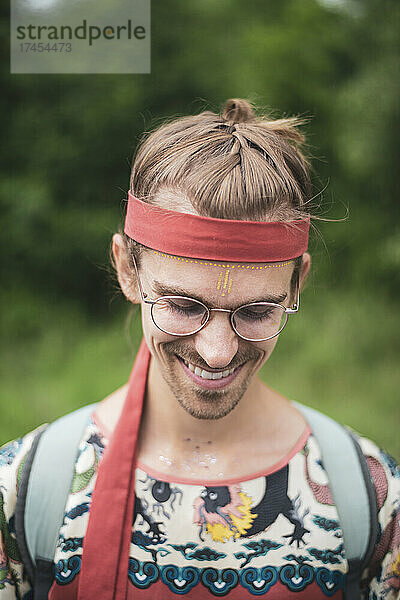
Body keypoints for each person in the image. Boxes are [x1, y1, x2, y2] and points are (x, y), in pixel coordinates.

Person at [0, 98, 399, 600]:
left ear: (297, 285)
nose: (216, 352)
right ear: (128, 269)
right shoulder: (25, 490)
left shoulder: (369, 498)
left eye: (256, 313)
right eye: (184, 306)